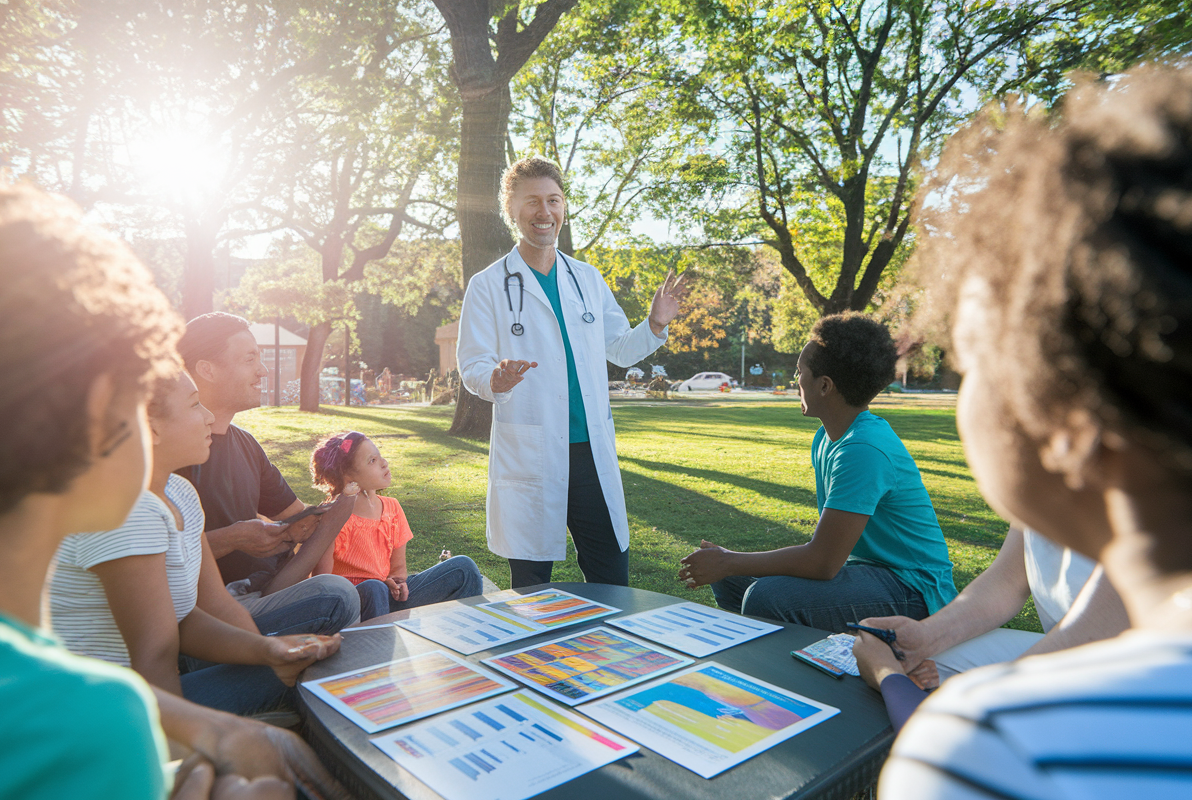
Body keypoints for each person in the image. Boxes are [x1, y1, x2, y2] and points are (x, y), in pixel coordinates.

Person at [868, 57, 1192, 797]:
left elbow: (1060, 675)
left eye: (973, 364)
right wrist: (930, 636)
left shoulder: (998, 747)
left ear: (1068, 419)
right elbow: (1009, 582)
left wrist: (925, 698)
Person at [0, 166, 342, 799]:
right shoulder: (92, 725)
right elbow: (146, 663)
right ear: (101, 411)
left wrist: (217, 719)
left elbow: (191, 614)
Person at [48, 370, 341, 717]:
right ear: (150, 427)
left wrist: (268, 653)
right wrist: (187, 755)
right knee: (319, 682)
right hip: (102, 710)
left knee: (310, 670)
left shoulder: (180, 492)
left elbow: (206, 608)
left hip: (149, 686)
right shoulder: (126, 509)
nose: (208, 416)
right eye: (194, 404)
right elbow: (153, 658)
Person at [457, 156, 685, 589]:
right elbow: (472, 365)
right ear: (511, 210)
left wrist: (654, 325)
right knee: (531, 587)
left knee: (611, 581)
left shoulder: (587, 279)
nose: (544, 212)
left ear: (564, 206)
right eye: (532, 202)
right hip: (532, 451)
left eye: (553, 200)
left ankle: (610, 656)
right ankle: (532, 659)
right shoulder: (487, 284)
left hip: (591, 456)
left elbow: (619, 349)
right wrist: (495, 380)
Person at [678, 314, 958, 633]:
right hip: (868, 573)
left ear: (824, 386)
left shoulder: (863, 449)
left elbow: (822, 563)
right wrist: (728, 565)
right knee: (732, 581)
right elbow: (826, 555)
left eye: (801, 372)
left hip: (915, 593)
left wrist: (727, 560)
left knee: (764, 597)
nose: (795, 380)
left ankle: (792, 674)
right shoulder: (827, 438)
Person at [175, 312, 362, 632]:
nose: (263, 371)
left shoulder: (245, 444)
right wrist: (233, 539)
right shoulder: (172, 451)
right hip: (219, 611)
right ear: (207, 369)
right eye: (250, 359)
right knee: (337, 595)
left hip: (268, 590)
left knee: (459, 574)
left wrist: (321, 519)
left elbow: (301, 520)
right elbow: (162, 556)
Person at [853, 523, 1130, 729]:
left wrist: (887, 675)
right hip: (1071, 651)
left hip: (1128, 675)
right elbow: (1008, 579)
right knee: (926, 662)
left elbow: (1095, 632)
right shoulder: (1037, 482)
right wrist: (926, 636)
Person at [309, 431, 483, 619]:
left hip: (388, 597)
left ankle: (465, 637)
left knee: (463, 568)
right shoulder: (332, 516)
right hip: (352, 608)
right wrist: (378, 587)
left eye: (380, 456)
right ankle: (375, 645)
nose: (384, 463)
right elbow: (324, 587)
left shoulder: (392, 508)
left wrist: (397, 583)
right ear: (348, 476)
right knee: (374, 588)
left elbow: (398, 569)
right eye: (372, 461)